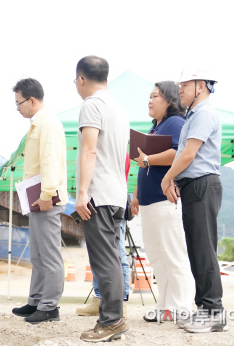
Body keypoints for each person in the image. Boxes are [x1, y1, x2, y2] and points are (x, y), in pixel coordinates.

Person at [161, 69, 225, 333]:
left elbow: (188, 155)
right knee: (197, 249)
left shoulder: (205, 113)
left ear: (201, 85)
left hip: (202, 184)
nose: (179, 90)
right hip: (194, 186)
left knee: (203, 249)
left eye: (184, 85)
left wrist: (167, 178)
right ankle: (205, 310)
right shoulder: (194, 115)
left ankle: (213, 313)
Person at [73, 56, 130, 342]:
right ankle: (110, 320)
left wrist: (82, 192)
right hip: (117, 193)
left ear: (81, 79)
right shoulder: (118, 108)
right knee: (111, 257)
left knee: (105, 261)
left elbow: (90, 150)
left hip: (100, 195)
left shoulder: (92, 105)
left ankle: (112, 321)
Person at [130, 81, 195, 322]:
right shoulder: (154, 128)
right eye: (149, 95)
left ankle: (181, 306)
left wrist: (147, 159)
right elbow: (143, 164)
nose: (150, 100)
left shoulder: (175, 122)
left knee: (173, 255)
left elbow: (178, 152)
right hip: (148, 202)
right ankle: (165, 305)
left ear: (169, 100)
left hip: (165, 200)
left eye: (155, 96)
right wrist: (136, 194)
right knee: (157, 257)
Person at [9, 78, 67, 324]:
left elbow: (50, 161)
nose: (17, 108)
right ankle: (36, 301)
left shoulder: (48, 124)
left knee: (50, 255)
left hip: (46, 199)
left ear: (32, 100)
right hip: (37, 199)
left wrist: (46, 195)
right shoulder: (37, 124)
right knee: (39, 255)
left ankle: (49, 306)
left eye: (19, 102)